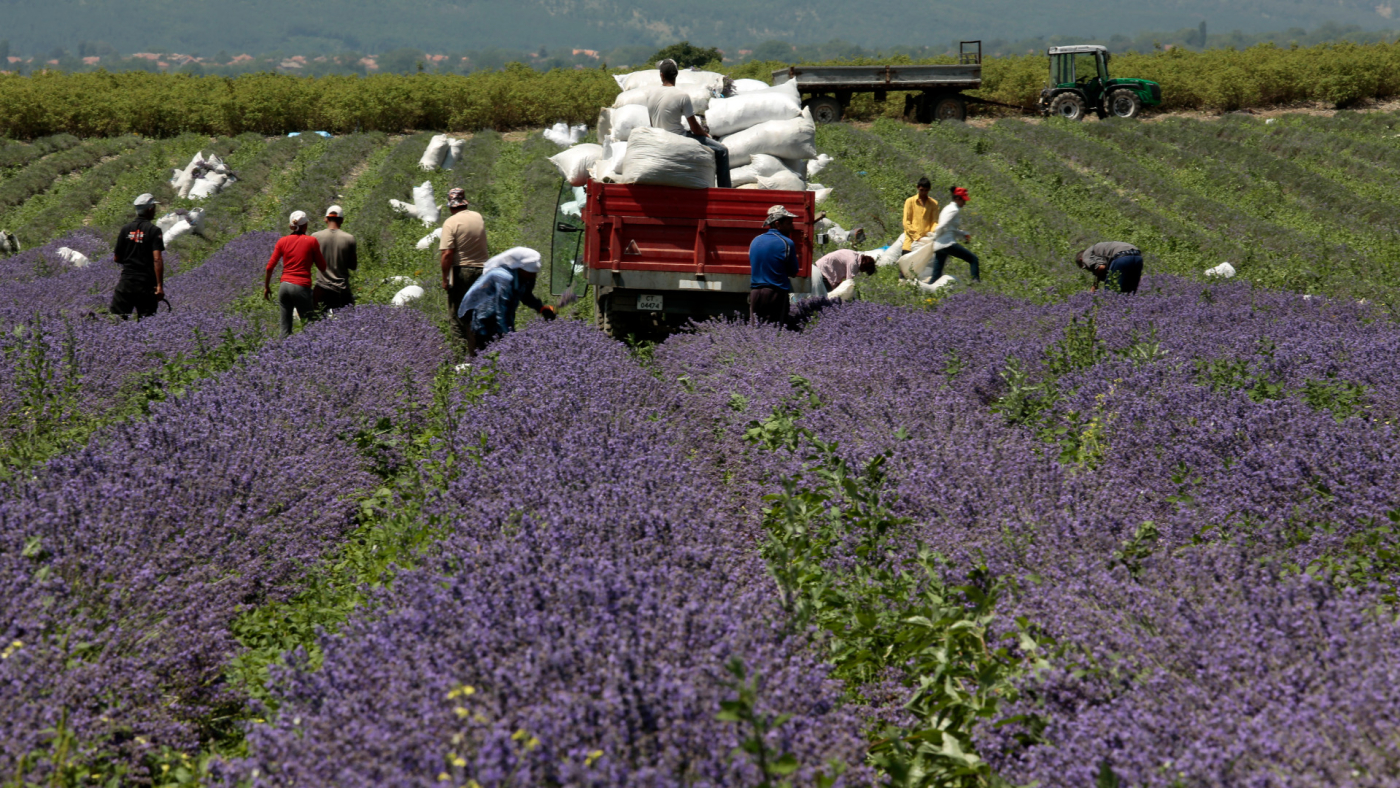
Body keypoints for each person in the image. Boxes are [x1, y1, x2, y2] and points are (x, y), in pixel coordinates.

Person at [646, 58, 732, 188]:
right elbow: (695, 128)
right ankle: (725, 193)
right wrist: (706, 136)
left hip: (658, 137)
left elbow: (652, 124)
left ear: (661, 75)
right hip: (678, 137)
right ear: (676, 75)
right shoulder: (682, 96)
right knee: (722, 150)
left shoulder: (650, 95)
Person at [455, 247, 557, 352]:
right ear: (520, 268)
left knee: (498, 356)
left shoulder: (526, 277)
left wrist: (541, 308)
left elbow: (526, 296)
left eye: (535, 273)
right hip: (480, 318)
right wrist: (512, 339)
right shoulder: (504, 278)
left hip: (497, 318)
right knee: (480, 357)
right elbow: (502, 312)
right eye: (530, 273)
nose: (533, 276)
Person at [440, 187, 491, 354]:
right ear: (465, 203)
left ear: (451, 206)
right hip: (483, 271)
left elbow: (447, 254)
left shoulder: (451, 222)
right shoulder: (478, 217)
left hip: (462, 272)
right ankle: (481, 353)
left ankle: (462, 358)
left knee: (458, 316)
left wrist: (445, 278)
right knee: (478, 312)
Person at [264, 210, 328, 337]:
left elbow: (269, 267)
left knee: (285, 330)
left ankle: (282, 353)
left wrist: (267, 287)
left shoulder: (282, 241)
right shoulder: (311, 241)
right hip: (301, 287)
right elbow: (322, 267)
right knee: (309, 326)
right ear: (305, 226)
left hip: (284, 287)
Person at [110, 193, 166, 319]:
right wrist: (159, 286)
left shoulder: (126, 229)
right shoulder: (154, 230)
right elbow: (157, 259)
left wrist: (131, 261)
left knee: (117, 320)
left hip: (126, 283)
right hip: (145, 285)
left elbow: (116, 258)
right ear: (150, 209)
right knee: (147, 322)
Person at [749, 204, 800, 327]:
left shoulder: (755, 240)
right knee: (775, 332)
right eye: (789, 223)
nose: (792, 227)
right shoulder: (787, 243)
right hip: (775, 294)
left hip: (755, 293)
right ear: (778, 224)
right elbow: (793, 271)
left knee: (756, 330)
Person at [927, 186, 979, 284]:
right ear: (957, 198)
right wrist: (935, 236)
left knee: (936, 277)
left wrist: (964, 235)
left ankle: (926, 291)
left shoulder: (948, 208)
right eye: (963, 200)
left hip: (939, 246)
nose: (964, 203)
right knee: (973, 259)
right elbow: (942, 226)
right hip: (947, 244)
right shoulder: (953, 210)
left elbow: (951, 229)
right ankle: (975, 285)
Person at [312, 204, 357, 312]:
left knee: (317, 322)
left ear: (326, 219)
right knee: (347, 322)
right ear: (341, 220)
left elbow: (310, 260)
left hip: (321, 288)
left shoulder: (315, 237)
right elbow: (353, 266)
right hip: (341, 289)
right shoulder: (349, 238)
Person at [1076, 242, 1143, 294]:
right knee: (1130, 292)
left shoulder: (1086, 256)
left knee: (1111, 293)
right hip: (1137, 257)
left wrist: (1095, 285)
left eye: (1084, 267)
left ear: (1081, 260)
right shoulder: (1096, 251)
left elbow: (1101, 267)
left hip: (1121, 258)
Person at [902, 177, 939, 252]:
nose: (923, 193)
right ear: (918, 188)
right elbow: (906, 222)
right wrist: (917, 237)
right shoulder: (910, 201)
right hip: (910, 243)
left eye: (926, 191)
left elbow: (935, 222)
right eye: (922, 190)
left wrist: (931, 235)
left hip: (925, 244)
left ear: (929, 190)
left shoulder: (934, 204)